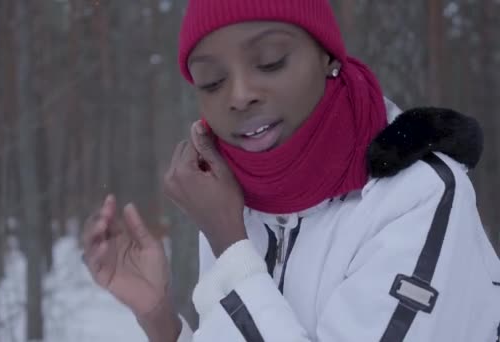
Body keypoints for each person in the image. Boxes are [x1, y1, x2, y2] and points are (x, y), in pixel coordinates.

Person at [81, 0, 500, 341]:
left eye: (270, 61)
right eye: (212, 81)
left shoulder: (419, 196)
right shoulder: (234, 194)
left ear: (327, 56)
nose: (240, 95)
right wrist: (162, 323)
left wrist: (230, 246)